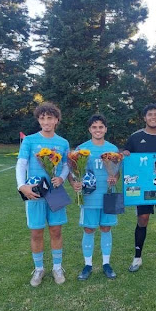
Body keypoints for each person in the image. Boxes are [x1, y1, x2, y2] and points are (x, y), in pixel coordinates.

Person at [16, 102, 70, 286]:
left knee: (56, 230)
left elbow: (66, 165)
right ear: (38, 120)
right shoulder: (30, 141)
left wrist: (62, 178)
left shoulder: (63, 143)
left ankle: (57, 267)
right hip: (35, 193)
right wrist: (21, 186)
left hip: (55, 192)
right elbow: (21, 164)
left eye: (50, 118)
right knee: (37, 232)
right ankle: (39, 269)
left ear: (56, 120)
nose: (46, 122)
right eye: (42, 118)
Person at [123, 103, 156, 273]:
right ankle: (137, 258)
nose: (153, 117)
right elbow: (127, 159)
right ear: (144, 118)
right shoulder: (135, 138)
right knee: (143, 219)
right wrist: (126, 155)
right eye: (149, 114)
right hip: (142, 186)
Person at [69, 114, 119, 281]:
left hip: (108, 195)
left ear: (105, 129)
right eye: (94, 127)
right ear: (90, 129)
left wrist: (114, 179)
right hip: (89, 197)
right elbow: (73, 171)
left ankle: (106, 263)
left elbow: (117, 172)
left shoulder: (112, 149)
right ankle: (88, 265)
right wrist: (75, 183)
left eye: (101, 127)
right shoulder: (82, 149)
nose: (98, 130)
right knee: (89, 229)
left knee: (106, 228)